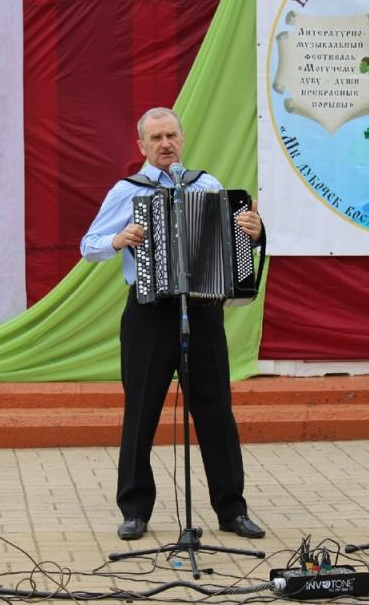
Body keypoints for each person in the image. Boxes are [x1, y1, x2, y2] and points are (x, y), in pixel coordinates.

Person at [80, 107, 266, 541]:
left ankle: (231, 509)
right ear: (141, 146)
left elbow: (236, 244)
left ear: (182, 139)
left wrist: (255, 234)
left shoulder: (210, 185)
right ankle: (135, 509)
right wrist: (117, 239)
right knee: (141, 410)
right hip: (149, 311)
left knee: (216, 411)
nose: (166, 144)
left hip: (203, 309)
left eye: (172, 136)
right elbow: (88, 245)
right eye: (156, 138)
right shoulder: (127, 191)